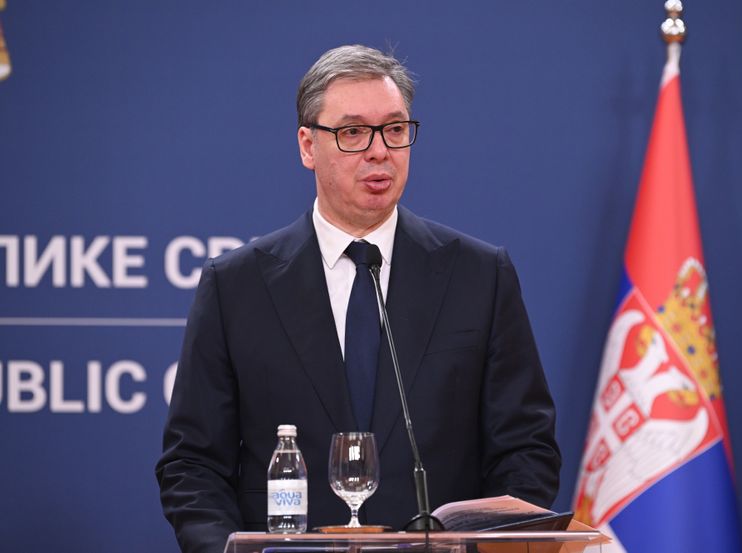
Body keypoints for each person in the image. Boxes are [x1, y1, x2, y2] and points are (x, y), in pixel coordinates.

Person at [156, 44, 561, 553]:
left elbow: (526, 451)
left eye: (394, 129)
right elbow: (193, 464)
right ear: (308, 146)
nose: (379, 151)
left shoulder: (479, 276)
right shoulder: (236, 286)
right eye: (352, 133)